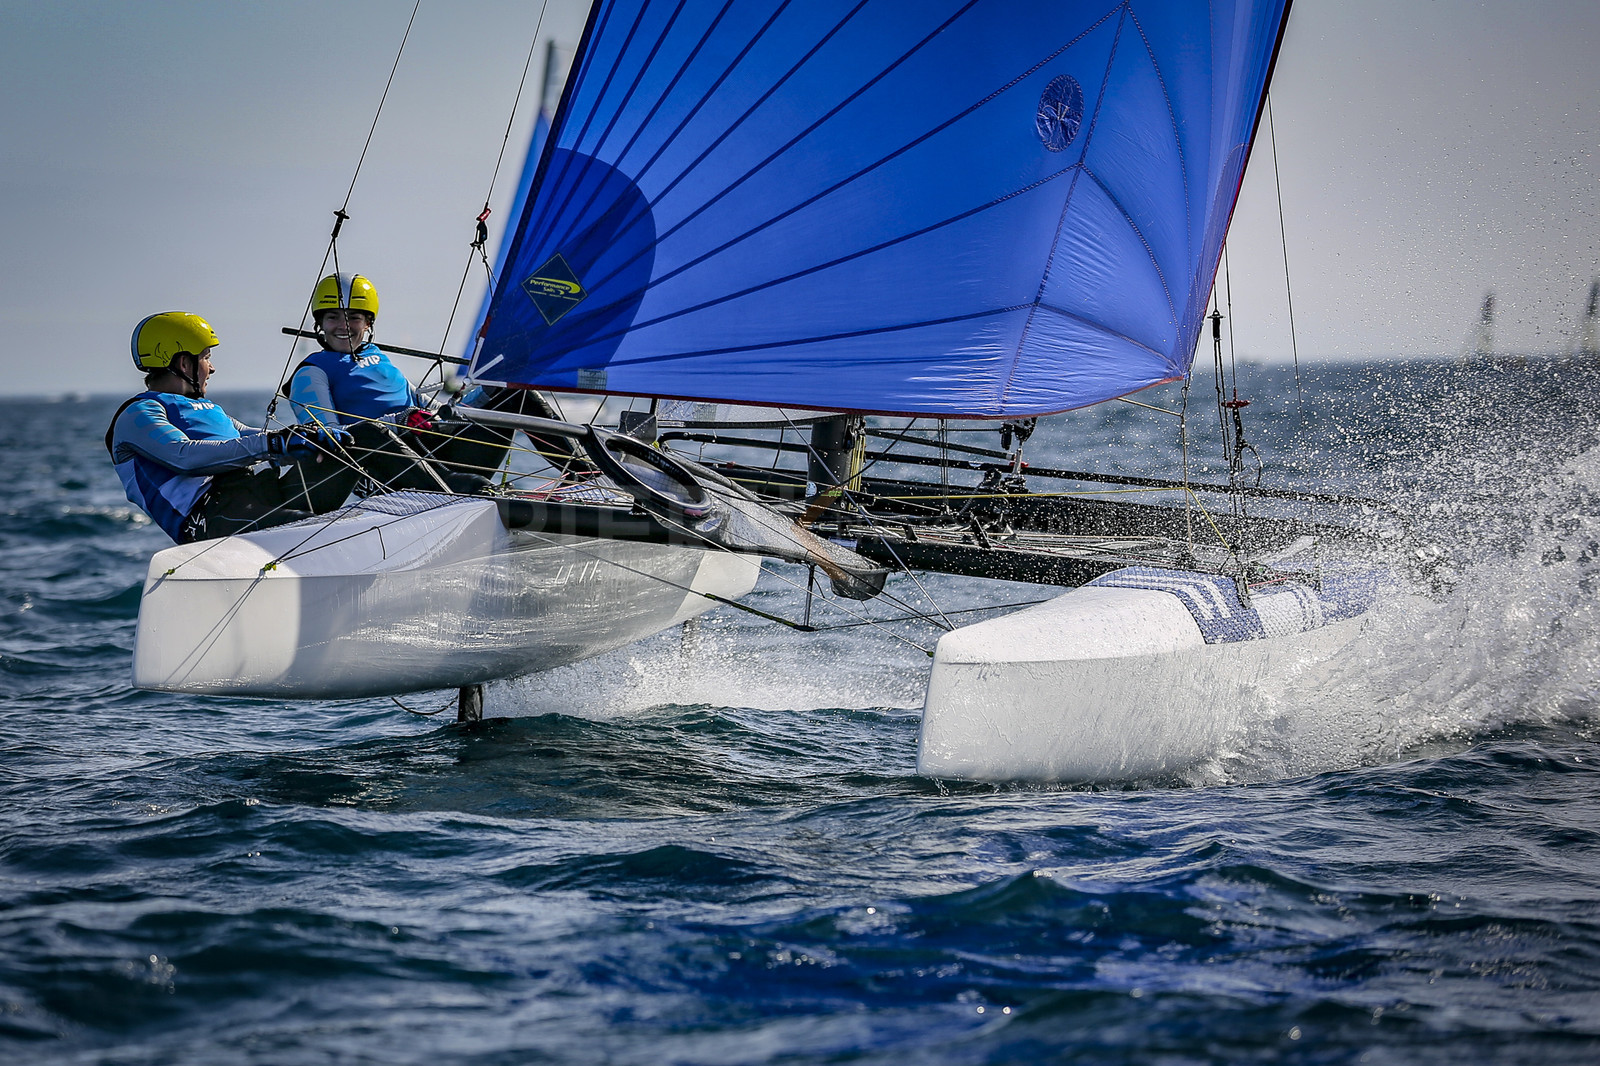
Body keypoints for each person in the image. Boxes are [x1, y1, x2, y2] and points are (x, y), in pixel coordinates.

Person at [108, 311, 359, 543]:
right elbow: (183, 456)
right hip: (213, 517)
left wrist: (307, 438)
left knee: (364, 439)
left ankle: (398, 508)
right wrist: (274, 443)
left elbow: (253, 436)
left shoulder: (210, 409)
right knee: (322, 531)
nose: (212, 367)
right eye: (206, 357)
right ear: (184, 364)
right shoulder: (137, 413)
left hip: (262, 492)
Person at [286, 273, 502, 493]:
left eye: (354, 318)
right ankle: (459, 488)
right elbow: (329, 438)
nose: (343, 326)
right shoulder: (311, 373)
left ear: (368, 323)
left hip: (434, 456)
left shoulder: (379, 358)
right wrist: (398, 421)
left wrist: (489, 391)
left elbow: (438, 413)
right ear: (320, 323)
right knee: (370, 431)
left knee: (512, 394)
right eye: (333, 317)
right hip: (381, 472)